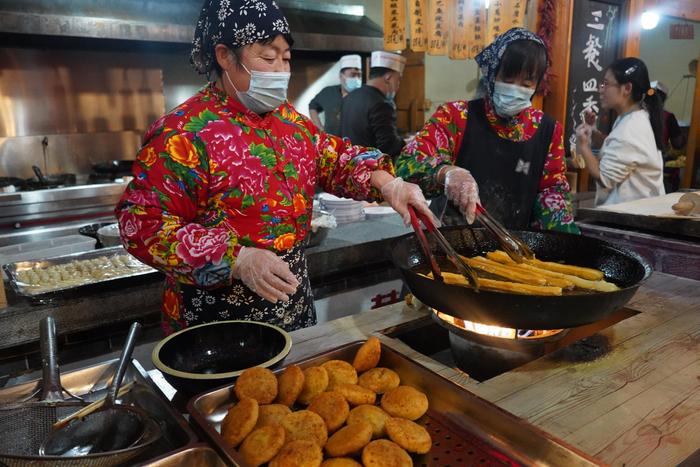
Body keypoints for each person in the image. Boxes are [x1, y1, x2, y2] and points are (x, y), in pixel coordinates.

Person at [115, 0, 435, 335]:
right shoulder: (184, 132)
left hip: (290, 304)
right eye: (268, 57)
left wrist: (388, 184)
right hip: (213, 318)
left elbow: (334, 157)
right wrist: (237, 259)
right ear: (224, 56)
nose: (281, 70)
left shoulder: (289, 121)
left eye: (286, 58)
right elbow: (142, 224)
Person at [395, 28, 578, 233]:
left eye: (526, 83)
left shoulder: (548, 130)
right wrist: (446, 173)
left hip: (513, 245)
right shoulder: (456, 116)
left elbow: (551, 193)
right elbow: (407, 164)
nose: (515, 89)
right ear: (492, 73)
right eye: (507, 80)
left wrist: (566, 242)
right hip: (451, 240)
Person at [575, 57, 665, 206]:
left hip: (634, 216)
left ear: (627, 89)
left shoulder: (632, 127)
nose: (601, 89)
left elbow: (604, 178)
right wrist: (593, 130)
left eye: (606, 84)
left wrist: (583, 146)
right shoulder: (633, 117)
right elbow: (617, 148)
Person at [340, 51, 406, 160]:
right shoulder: (382, 104)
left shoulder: (349, 97)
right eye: (398, 79)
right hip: (371, 170)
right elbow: (389, 146)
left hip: (350, 166)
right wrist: (405, 143)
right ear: (388, 78)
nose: (398, 86)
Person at [308, 54, 363, 136]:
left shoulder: (364, 95)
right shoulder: (328, 92)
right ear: (341, 76)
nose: (357, 79)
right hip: (332, 144)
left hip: (357, 145)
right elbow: (312, 106)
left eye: (359, 75)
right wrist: (320, 129)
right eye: (352, 75)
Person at [650, 81, 686, 152]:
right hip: (657, 159)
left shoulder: (636, 115)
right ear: (664, 99)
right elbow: (678, 144)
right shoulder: (668, 117)